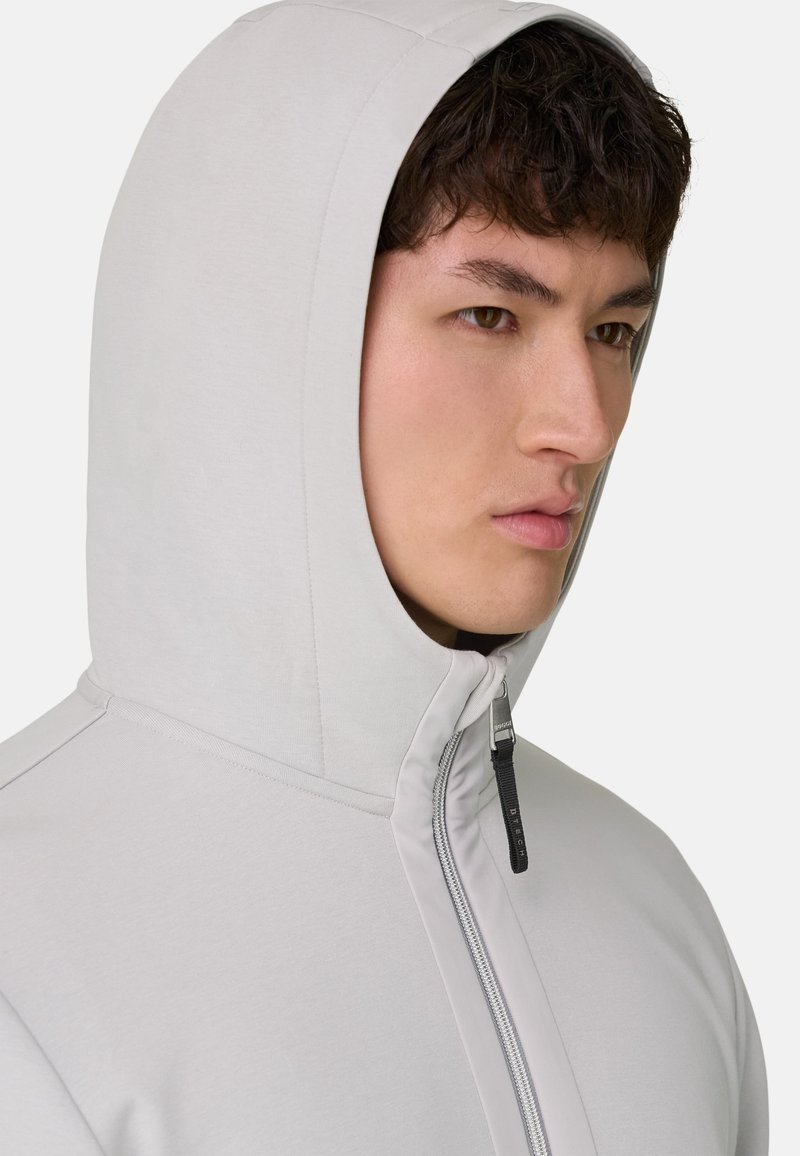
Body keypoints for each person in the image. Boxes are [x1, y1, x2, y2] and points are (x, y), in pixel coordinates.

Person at [0, 1, 768, 1153]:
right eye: (490, 314)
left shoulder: (650, 909)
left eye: (613, 331)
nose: (585, 425)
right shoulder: (28, 955)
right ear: (262, 333)